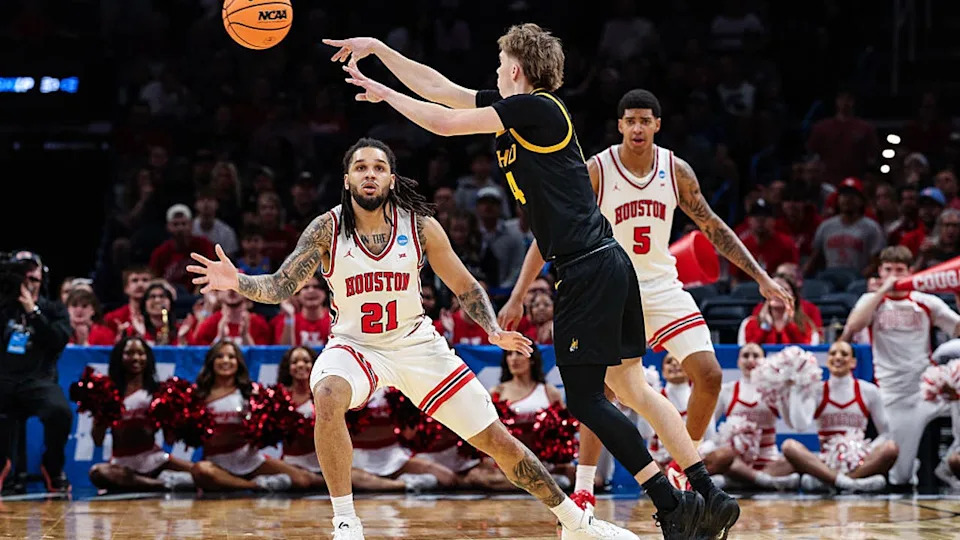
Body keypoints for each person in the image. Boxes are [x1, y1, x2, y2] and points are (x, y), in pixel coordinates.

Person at [324, 28, 718, 538]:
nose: (493, 71)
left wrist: (384, 95)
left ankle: (670, 504)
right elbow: (444, 91)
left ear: (515, 68)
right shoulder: (518, 109)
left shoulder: (539, 108)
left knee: (591, 398)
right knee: (627, 386)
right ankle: (707, 494)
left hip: (587, 265)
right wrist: (380, 53)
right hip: (596, 261)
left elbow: (443, 122)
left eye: (498, 63)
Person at [188, 138, 637, 539]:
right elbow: (283, 285)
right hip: (354, 345)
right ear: (347, 180)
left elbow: (464, 285)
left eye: (378, 167)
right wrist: (238, 281)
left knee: (496, 441)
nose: (370, 175)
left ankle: (577, 523)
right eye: (361, 168)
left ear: (391, 177)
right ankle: (346, 522)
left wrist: (493, 330)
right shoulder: (327, 229)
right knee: (326, 393)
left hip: (417, 345)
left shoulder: (420, 226)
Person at [504, 88, 786, 520]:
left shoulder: (676, 170)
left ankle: (680, 470)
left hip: (660, 286)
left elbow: (712, 226)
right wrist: (521, 291)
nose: (637, 128)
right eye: (630, 120)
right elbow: (552, 233)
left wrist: (762, 277)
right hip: (608, 285)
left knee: (708, 375)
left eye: (645, 120)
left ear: (657, 124)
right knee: (602, 392)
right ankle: (584, 488)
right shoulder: (597, 169)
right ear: (620, 125)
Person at [841, 245, 960, 488]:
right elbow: (854, 325)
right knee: (901, 476)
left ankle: (950, 463)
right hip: (893, 393)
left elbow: (957, 328)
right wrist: (883, 290)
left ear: (911, 272)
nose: (894, 275)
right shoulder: (871, 301)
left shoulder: (925, 301)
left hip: (929, 388)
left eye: (900, 270)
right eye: (888, 270)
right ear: (880, 272)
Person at [277, 345, 416, 492]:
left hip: (325, 462)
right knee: (306, 479)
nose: (300, 365)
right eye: (294, 362)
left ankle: (406, 484)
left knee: (346, 476)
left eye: (306, 361)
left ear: (315, 364)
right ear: (287, 367)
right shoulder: (280, 398)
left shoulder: (325, 393)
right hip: (293, 462)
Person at [189, 341, 318, 492]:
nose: (226, 361)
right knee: (201, 471)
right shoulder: (199, 395)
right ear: (212, 362)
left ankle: (340, 485)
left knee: (301, 479)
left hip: (251, 460)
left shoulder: (250, 393)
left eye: (231, 357)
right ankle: (256, 485)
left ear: (238, 362)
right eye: (220, 356)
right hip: (217, 462)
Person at [779, 340, 898, 493]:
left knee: (891, 449)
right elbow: (800, 426)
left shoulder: (868, 390)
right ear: (827, 361)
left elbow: (886, 433)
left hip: (858, 460)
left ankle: (830, 481)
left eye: (844, 354)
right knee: (789, 447)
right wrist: (795, 389)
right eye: (833, 353)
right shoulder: (817, 390)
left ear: (853, 362)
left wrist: (865, 451)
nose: (838, 357)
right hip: (826, 461)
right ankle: (853, 483)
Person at [0, 251, 73, 493]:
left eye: (33, 279)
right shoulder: (3, 307)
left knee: (60, 411)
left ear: (43, 281)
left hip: (37, 380)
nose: (28, 285)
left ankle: (52, 466)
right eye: (23, 279)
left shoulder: (53, 310)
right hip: (4, 381)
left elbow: (58, 339)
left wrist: (33, 312)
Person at [88, 337, 195, 491]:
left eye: (140, 353)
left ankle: (142, 483)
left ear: (148, 358)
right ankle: (160, 484)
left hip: (156, 459)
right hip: (122, 463)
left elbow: (169, 440)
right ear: (119, 357)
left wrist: (174, 419)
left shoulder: (158, 392)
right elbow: (98, 440)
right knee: (97, 473)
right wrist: (100, 415)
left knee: (201, 472)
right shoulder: (108, 393)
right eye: (129, 353)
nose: (136, 358)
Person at [704, 343, 800, 491]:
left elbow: (793, 424)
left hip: (768, 461)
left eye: (756, 356)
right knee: (723, 458)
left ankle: (746, 480)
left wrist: (789, 391)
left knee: (796, 461)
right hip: (735, 462)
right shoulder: (728, 390)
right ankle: (764, 482)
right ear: (738, 361)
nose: (750, 360)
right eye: (745, 356)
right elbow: (708, 426)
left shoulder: (774, 390)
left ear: (765, 360)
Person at [741, 273, 816, 345]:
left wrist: (791, 325)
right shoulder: (751, 323)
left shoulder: (805, 324)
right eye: (773, 289)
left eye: (784, 290)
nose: (778, 294)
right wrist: (765, 328)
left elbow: (806, 350)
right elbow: (749, 351)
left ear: (794, 296)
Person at [103, 266, 153, 334]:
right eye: (135, 280)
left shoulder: (159, 316)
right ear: (126, 288)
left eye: (145, 280)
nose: (140, 284)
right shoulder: (113, 318)